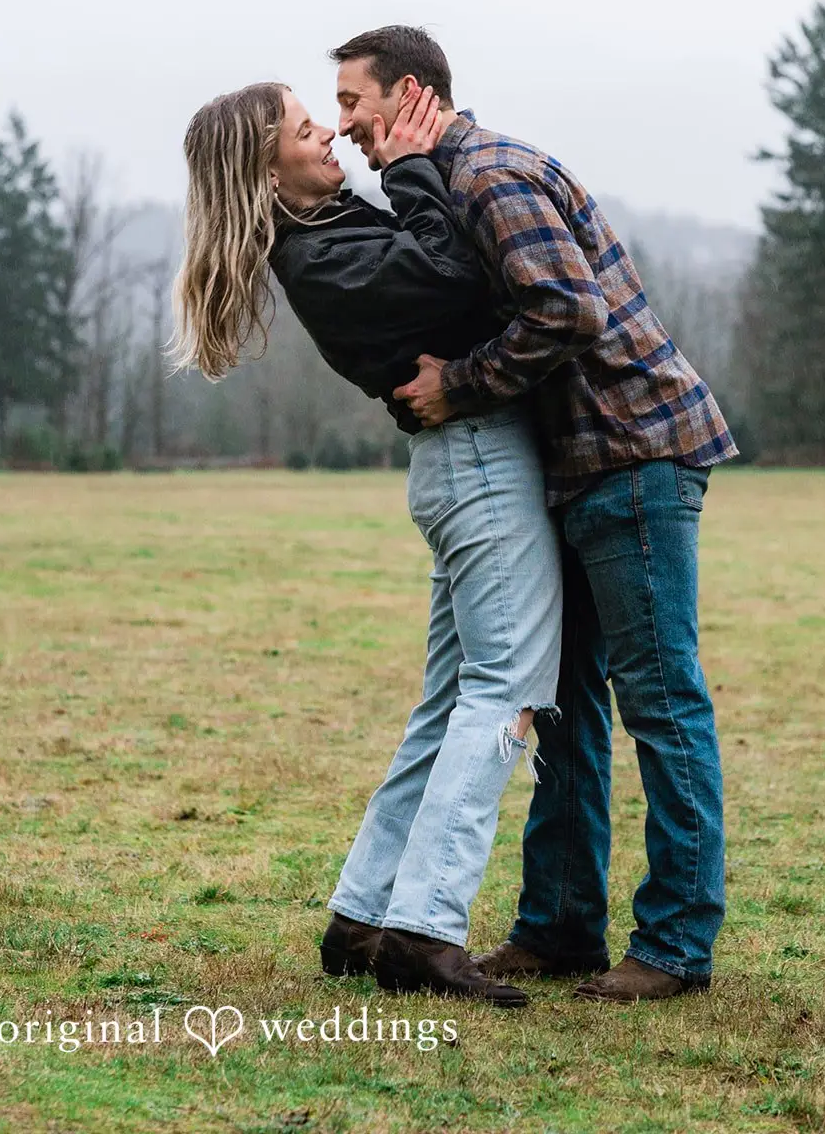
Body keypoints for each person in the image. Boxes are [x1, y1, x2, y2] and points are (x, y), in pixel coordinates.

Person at [332, 24, 740, 1003]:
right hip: (568, 469)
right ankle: (560, 924)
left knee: (658, 698)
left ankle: (676, 944)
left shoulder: (489, 176)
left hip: (631, 454)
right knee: (561, 703)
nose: (341, 123)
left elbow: (566, 313)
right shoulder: (445, 180)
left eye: (352, 101)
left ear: (410, 92)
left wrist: (458, 386)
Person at [171, 79, 562, 1007]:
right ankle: (425, 932)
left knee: (445, 705)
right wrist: (418, 165)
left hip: (462, 463)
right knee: (505, 694)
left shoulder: (330, 229)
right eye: (308, 132)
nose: (332, 136)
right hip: (476, 465)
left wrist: (403, 172)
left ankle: (362, 916)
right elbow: (454, 274)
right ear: (267, 173)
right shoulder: (321, 258)